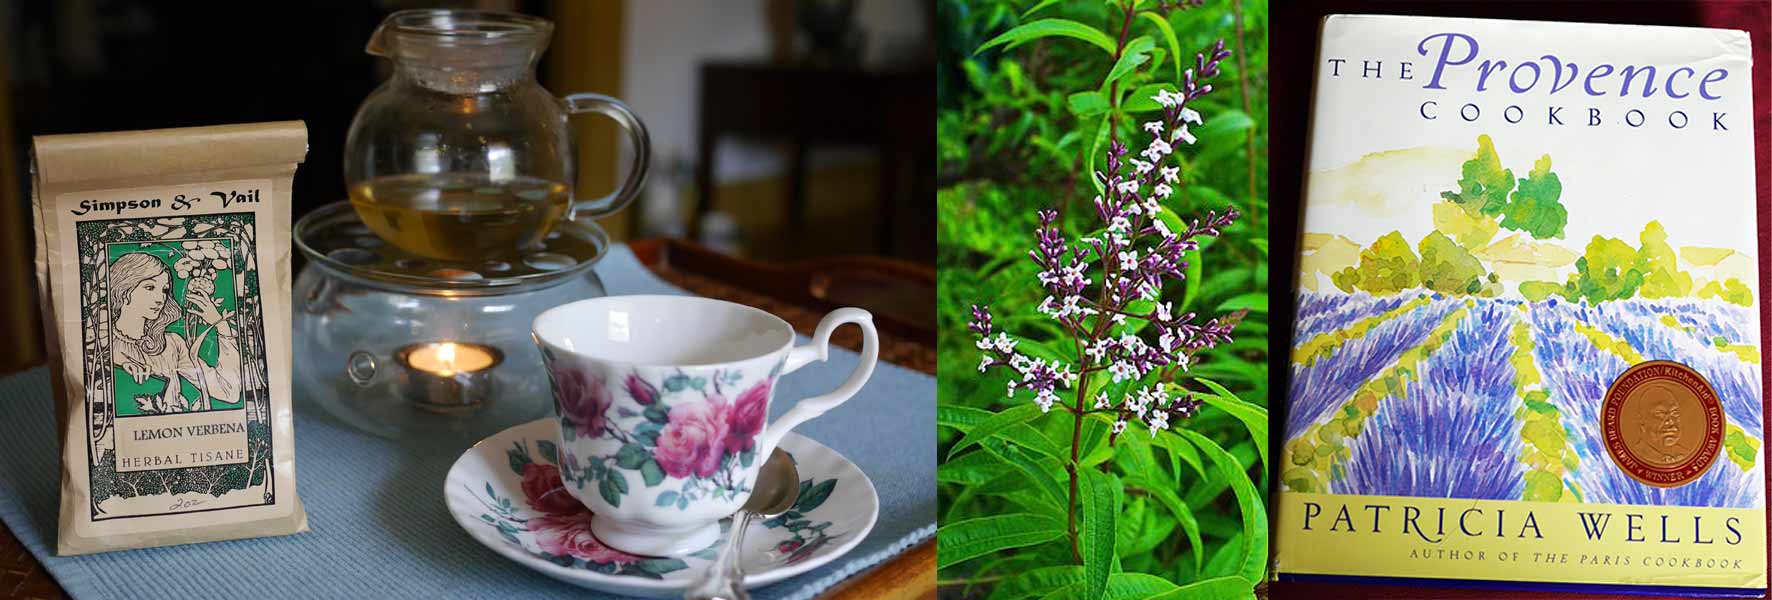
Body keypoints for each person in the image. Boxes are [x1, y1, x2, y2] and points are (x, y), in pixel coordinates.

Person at [109, 251, 241, 414]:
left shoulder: (171, 344)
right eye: (150, 287)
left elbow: (228, 391)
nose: (160, 298)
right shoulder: (102, 344)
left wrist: (221, 325)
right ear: (124, 290)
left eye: (164, 290)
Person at [1627, 383, 1694, 466]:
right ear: (1641, 419)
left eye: (1674, 413)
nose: (1670, 422)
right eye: (1660, 413)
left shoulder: (1685, 453)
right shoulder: (1635, 454)